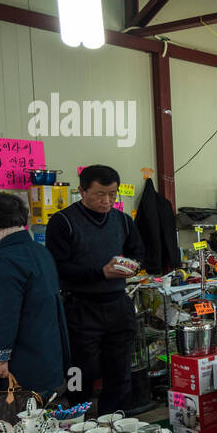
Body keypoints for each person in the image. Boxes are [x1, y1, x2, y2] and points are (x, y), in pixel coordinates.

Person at [45, 164, 146, 417]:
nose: (107, 200)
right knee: (80, 372)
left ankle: (115, 423)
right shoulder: (62, 221)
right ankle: (79, 424)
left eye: (113, 194)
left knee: (120, 371)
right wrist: (100, 273)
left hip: (118, 304)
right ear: (81, 190)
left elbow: (138, 253)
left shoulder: (123, 220)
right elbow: (57, 268)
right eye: (100, 194)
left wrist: (132, 266)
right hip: (79, 307)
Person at [0, 192, 69, 402]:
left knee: (11, 424)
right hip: (44, 353)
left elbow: (0, 312)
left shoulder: (1, 260)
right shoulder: (37, 251)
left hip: (19, 361)